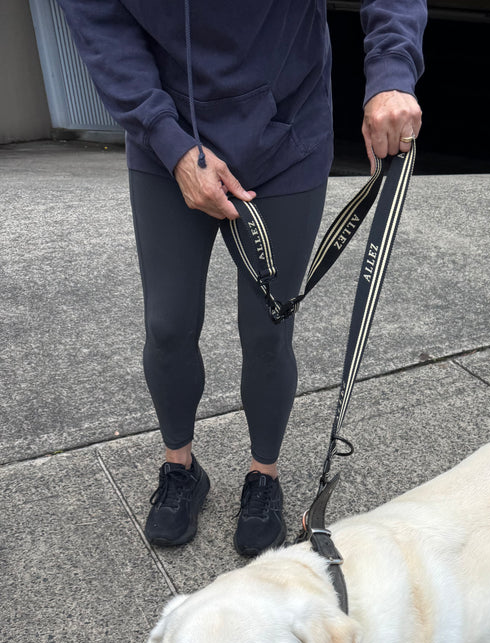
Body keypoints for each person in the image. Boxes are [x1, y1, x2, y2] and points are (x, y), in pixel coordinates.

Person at [57, 0, 425, 555]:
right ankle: (181, 466)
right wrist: (168, 140)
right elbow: (102, 27)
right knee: (169, 324)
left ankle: (264, 476)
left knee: (267, 331)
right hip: (168, 134)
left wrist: (392, 73)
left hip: (286, 130)